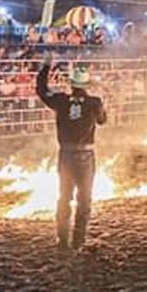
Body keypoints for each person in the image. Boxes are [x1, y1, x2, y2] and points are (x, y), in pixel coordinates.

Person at [36, 53, 107, 251]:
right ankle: (79, 241)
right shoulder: (94, 103)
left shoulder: (61, 100)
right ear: (85, 85)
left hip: (66, 155)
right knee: (84, 199)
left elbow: (42, 90)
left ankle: (62, 239)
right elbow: (102, 120)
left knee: (64, 196)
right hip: (85, 156)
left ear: (72, 84)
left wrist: (45, 67)